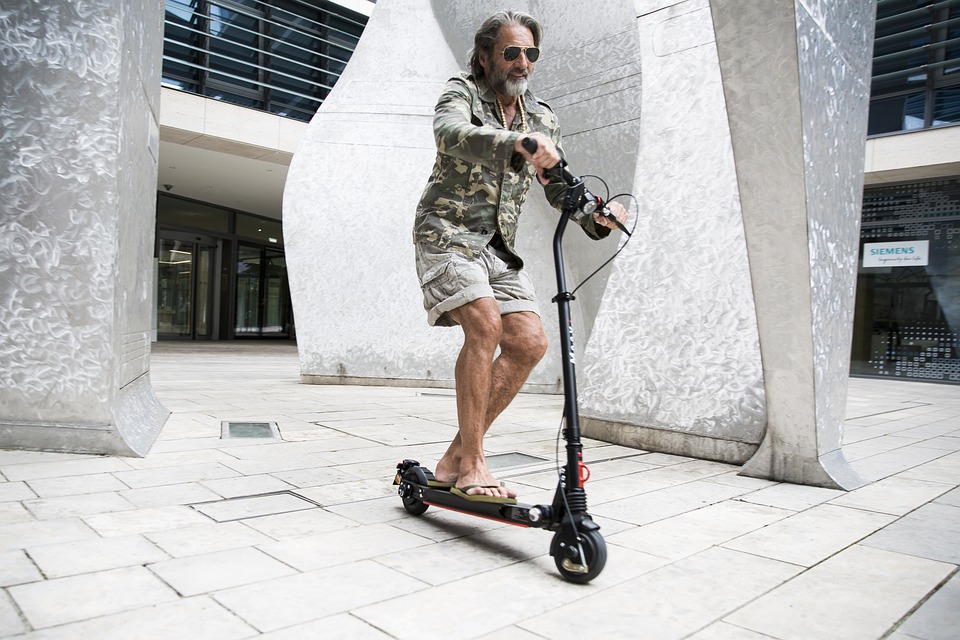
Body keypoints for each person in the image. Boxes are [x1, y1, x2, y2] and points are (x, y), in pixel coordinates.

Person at [412, 10, 628, 504]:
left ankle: (454, 459)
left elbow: (556, 187)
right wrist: (519, 143)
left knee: (529, 343)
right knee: (484, 325)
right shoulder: (463, 92)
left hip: (497, 248)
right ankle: (474, 463)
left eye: (531, 53)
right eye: (511, 52)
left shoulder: (543, 117)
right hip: (446, 234)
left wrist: (596, 217)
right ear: (485, 57)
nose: (523, 62)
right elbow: (448, 133)